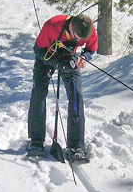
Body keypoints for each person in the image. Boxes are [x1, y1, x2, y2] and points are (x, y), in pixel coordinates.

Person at [27, 14, 98, 161]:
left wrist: (84, 57)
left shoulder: (88, 30)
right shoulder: (52, 25)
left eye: (81, 40)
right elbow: (38, 50)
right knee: (38, 94)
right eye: (76, 38)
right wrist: (56, 64)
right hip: (46, 57)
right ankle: (36, 140)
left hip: (69, 59)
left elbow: (91, 48)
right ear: (71, 26)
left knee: (76, 95)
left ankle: (76, 145)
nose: (79, 41)